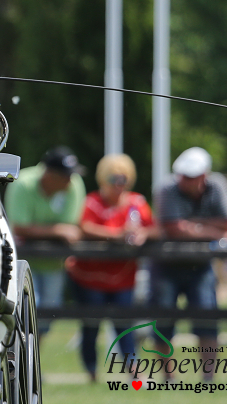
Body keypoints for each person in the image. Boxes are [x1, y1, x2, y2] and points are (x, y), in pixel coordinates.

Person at [65, 154, 160, 382]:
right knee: (91, 327)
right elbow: (84, 227)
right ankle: (91, 373)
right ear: (103, 179)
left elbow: (154, 229)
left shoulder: (136, 203)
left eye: (123, 179)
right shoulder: (92, 202)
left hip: (123, 278)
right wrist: (117, 235)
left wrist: (141, 234)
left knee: (124, 327)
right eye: (114, 179)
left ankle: (135, 374)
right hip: (90, 278)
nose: (119, 185)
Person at [151, 146, 227, 381]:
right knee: (163, 322)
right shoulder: (166, 188)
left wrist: (190, 226)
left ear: (204, 175)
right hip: (165, 266)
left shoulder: (217, 185)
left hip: (201, 267)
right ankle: (168, 379)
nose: (185, 181)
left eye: (191, 176)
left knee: (207, 320)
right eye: (183, 175)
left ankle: (208, 379)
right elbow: (173, 228)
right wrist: (210, 230)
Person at [4, 146, 87, 333]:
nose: (69, 180)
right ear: (49, 174)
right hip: (22, 262)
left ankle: (32, 360)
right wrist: (57, 230)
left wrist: (44, 230)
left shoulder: (74, 184)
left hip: (54, 264)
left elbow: (71, 227)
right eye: (65, 175)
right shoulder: (23, 184)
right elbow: (19, 228)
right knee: (22, 315)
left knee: (46, 319)